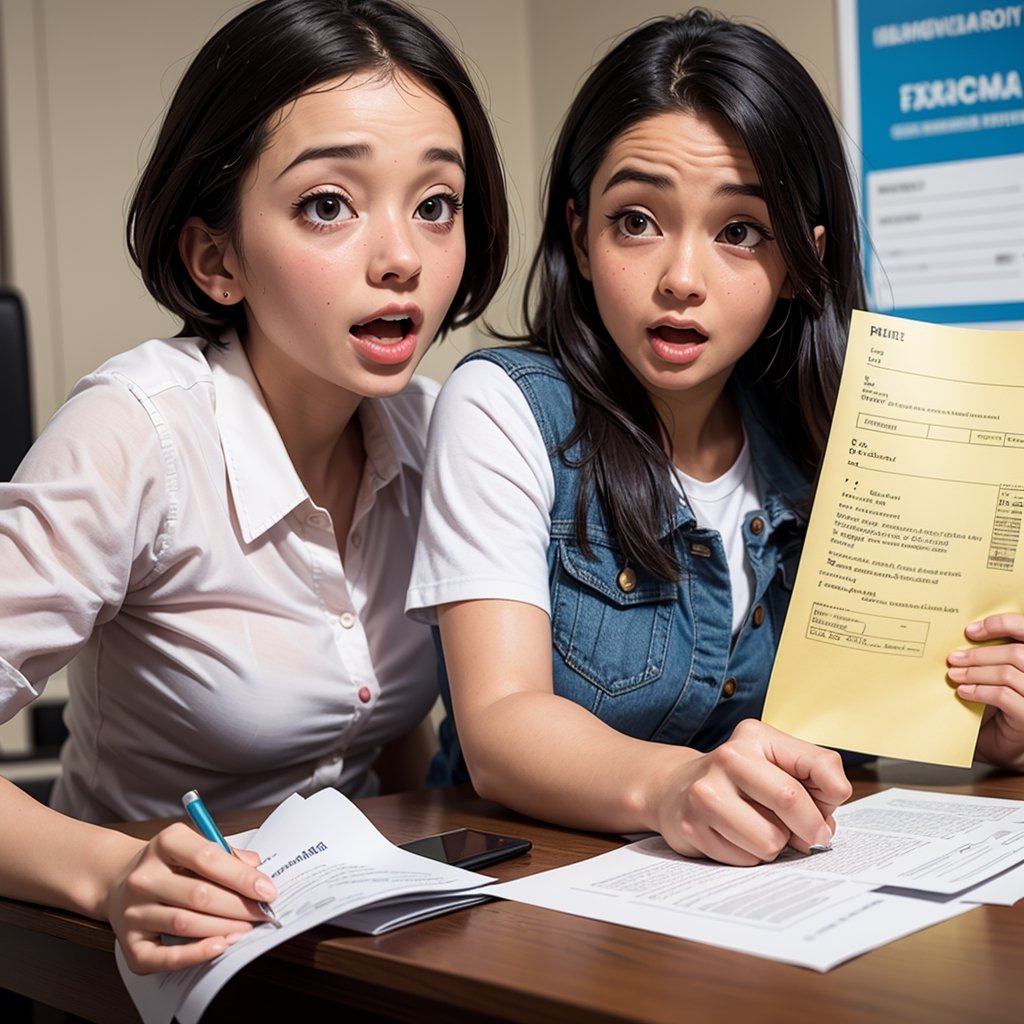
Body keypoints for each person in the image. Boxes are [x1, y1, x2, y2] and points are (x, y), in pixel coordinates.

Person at [407, 8, 1024, 868]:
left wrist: (986, 729)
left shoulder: (842, 439)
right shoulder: (504, 410)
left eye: (740, 232)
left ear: (799, 260)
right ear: (581, 236)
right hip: (532, 899)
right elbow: (501, 729)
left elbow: (859, 746)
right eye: (636, 220)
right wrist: (672, 788)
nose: (682, 280)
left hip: (783, 901)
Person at [0, 0, 507, 973]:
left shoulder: (440, 429)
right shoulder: (135, 434)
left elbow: (392, 728)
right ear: (215, 257)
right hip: (141, 963)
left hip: (341, 935)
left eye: (435, 203)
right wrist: (109, 871)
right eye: (329, 203)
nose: (401, 255)